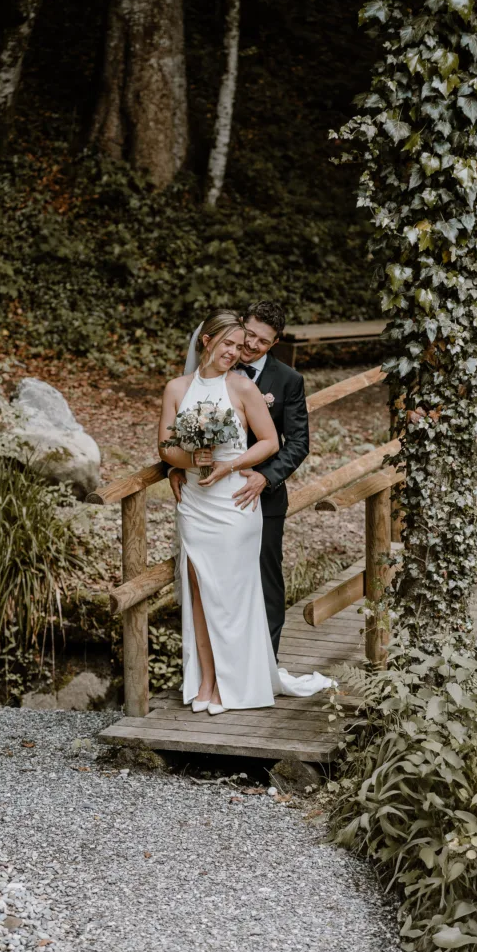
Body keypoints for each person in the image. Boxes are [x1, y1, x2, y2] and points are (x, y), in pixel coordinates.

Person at [158, 309, 330, 714]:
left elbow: (284, 442)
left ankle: (238, 681)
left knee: (242, 594)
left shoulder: (264, 384)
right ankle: (207, 681)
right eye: (236, 341)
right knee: (201, 595)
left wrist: (248, 472)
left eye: (251, 343)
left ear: (271, 345)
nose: (241, 350)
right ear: (208, 340)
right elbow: (166, 446)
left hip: (242, 499)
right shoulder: (178, 387)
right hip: (198, 505)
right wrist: (181, 463)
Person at [169, 301, 309, 659]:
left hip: (262, 494)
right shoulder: (212, 368)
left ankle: (265, 665)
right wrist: (177, 466)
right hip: (209, 493)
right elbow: (182, 422)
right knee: (215, 582)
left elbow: (298, 443)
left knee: (265, 582)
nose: (250, 346)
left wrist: (266, 477)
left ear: (275, 343)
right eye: (249, 335)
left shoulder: (288, 380)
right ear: (240, 326)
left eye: (262, 342)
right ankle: (218, 664)